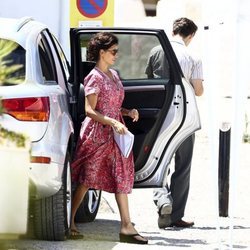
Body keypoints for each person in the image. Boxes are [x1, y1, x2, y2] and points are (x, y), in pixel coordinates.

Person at [70, 32, 148, 244]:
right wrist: (113, 122)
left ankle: (126, 226)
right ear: (102, 53)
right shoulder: (94, 77)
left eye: (117, 51)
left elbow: (112, 106)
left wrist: (127, 111)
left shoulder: (113, 74)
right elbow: (89, 110)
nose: (116, 55)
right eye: (113, 51)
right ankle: (70, 221)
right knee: (88, 179)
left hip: (116, 133)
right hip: (98, 134)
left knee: (120, 177)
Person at [146, 17, 204, 229]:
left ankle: (162, 200)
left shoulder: (155, 51)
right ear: (190, 35)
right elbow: (198, 90)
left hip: (160, 116)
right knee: (183, 165)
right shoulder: (193, 56)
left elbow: (150, 82)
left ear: (173, 31)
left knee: (157, 161)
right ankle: (175, 215)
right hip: (185, 117)